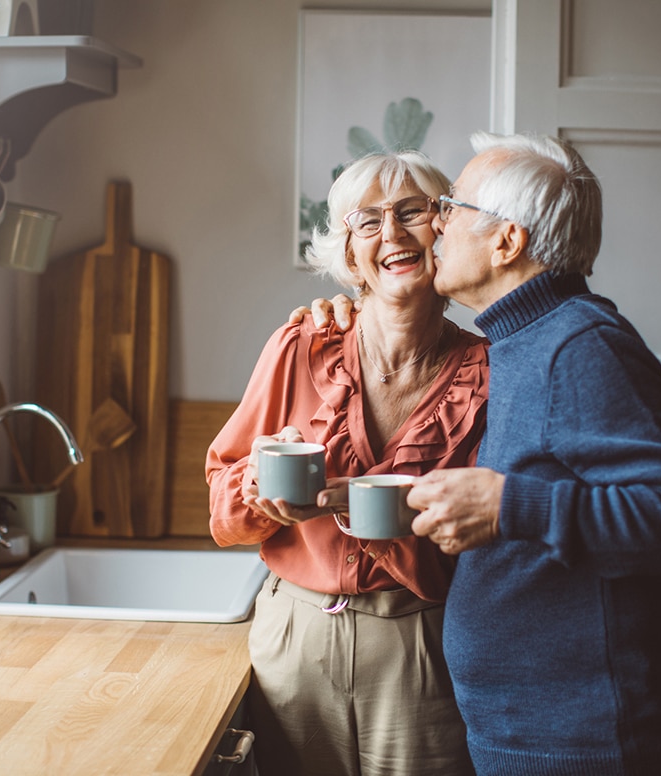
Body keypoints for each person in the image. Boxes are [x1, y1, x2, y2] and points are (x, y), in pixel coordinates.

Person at [304, 131, 661, 775]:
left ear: (507, 241)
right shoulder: (520, 341)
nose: (433, 225)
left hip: (588, 744)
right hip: (536, 732)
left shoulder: (581, 345)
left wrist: (507, 505)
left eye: (450, 208)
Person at [206, 150, 488, 776]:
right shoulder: (299, 345)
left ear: (443, 229)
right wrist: (260, 493)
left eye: (412, 212)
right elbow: (221, 503)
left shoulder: (491, 374)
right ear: (350, 254)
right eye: (367, 221)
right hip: (295, 636)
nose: (391, 233)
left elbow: (493, 542)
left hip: (422, 640)